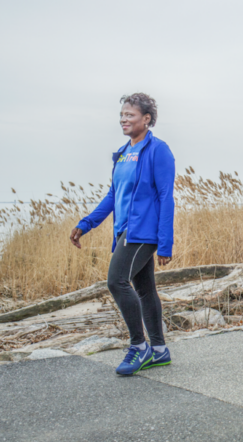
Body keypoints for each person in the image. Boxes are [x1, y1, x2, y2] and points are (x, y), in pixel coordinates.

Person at [69, 93, 175, 375]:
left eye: (130, 115)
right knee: (144, 289)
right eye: (122, 115)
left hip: (144, 233)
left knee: (116, 281)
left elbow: (166, 196)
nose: (124, 120)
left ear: (147, 118)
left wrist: (165, 243)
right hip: (124, 230)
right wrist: (86, 224)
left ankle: (138, 347)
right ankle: (160, 350)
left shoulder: (158, 150)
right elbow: (113, 195)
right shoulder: (123, 152)